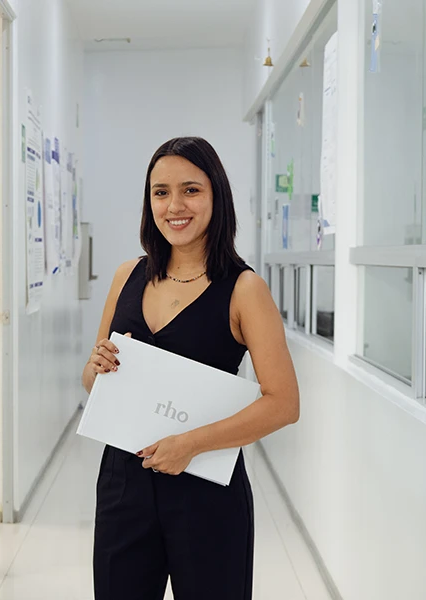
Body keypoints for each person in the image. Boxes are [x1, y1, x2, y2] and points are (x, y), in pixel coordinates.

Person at [82, 137, 300, 600]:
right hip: (125, 485)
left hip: (207, 492)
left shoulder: (244, 289)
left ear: (216, 196)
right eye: (160, 192)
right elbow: (93, 380)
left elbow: (284, 404)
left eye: (191, 190)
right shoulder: (127, 276)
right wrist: (96, 368)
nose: (174, 205)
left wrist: (189, 445)